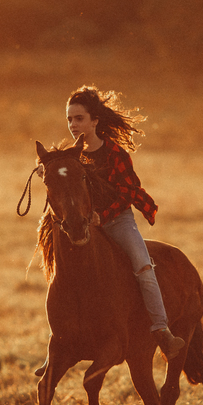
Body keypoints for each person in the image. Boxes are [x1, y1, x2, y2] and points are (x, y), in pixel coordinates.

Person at [61, 85, 186, 360]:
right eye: (69, 119)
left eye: (79, 118)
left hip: (117, 221)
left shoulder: (115, 154)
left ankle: (161, 330)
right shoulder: (70, 157)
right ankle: (57, 343)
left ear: (95, 121)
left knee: (143, 267)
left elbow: (128, 192)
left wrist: (102, 217)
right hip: (86, 226)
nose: (72, 124)